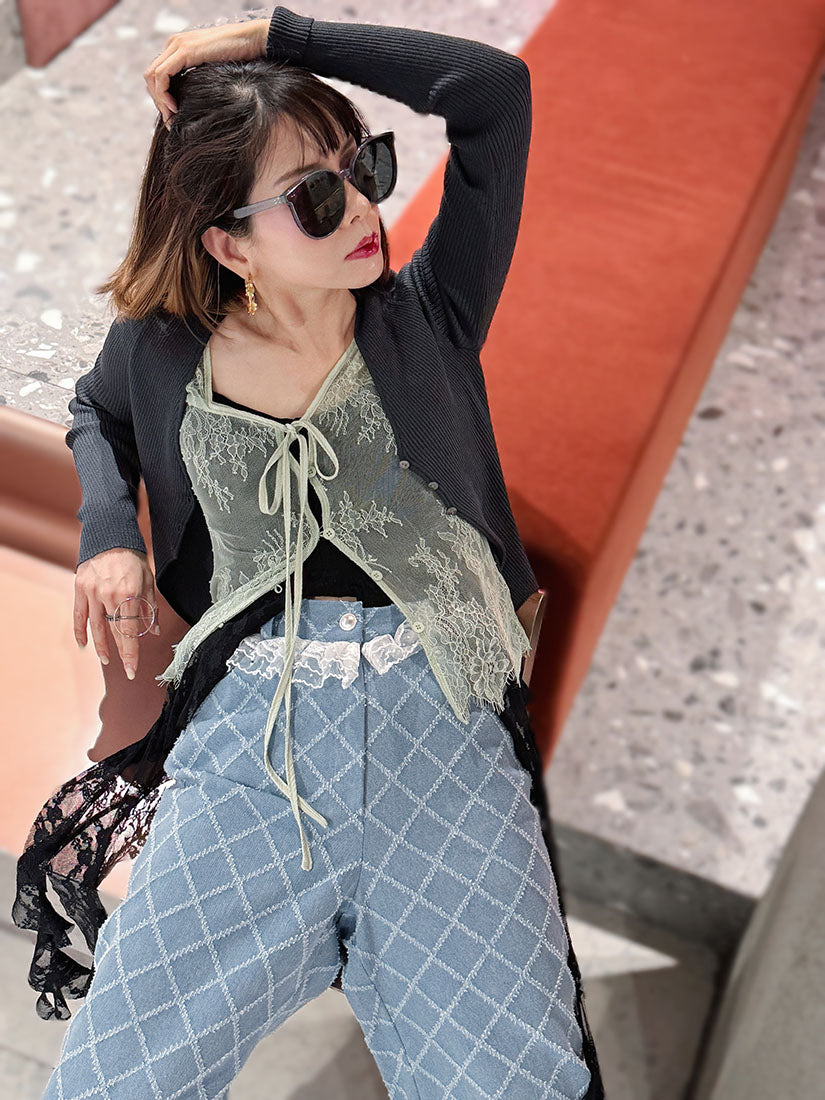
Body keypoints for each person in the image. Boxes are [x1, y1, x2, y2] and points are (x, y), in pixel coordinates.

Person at [13, 6, 604, 1097]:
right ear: (228, 244)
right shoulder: (166, 348)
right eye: (316, 198)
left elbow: (493, 95)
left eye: (362, 167)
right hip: (253, 748)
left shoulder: (429, 314)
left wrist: (281, 38)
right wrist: (109, 537)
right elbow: (101, 412)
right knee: (115, 1080)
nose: (364, 210)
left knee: (516, 1081)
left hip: (443, 740)